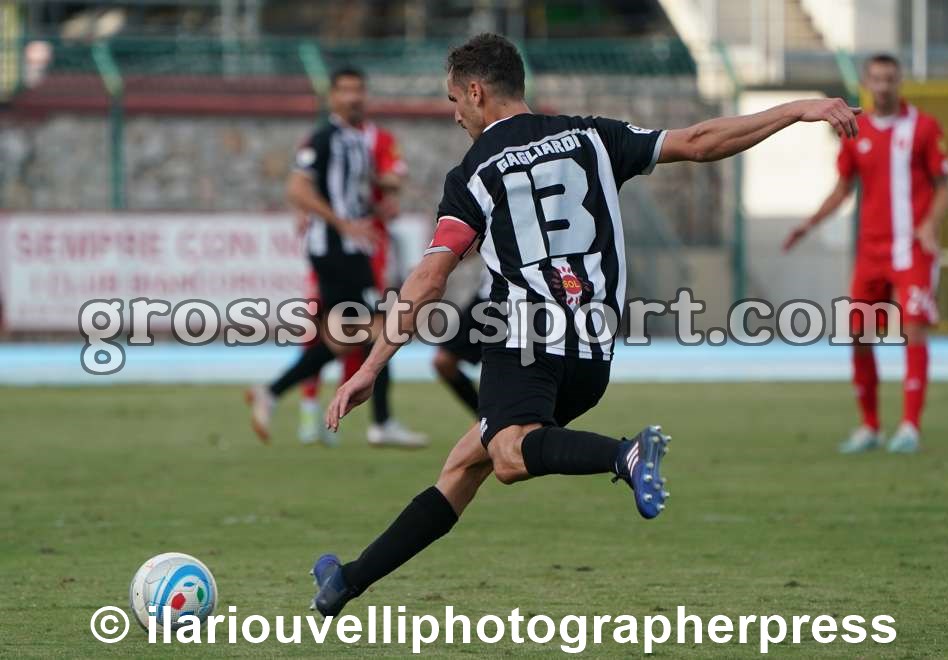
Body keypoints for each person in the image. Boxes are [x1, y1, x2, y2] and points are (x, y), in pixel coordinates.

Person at [309, 33, 859, 616]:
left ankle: (626, 456)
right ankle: (346, 583)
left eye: (453, 101)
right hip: (593, 351)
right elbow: (700, 142)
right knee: (465, 466)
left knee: (508, 456)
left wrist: (371, 367)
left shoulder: (473, 173)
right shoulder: (593, 136)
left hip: (524, 337)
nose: (455, 115)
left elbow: (428, 280)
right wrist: (796, 109)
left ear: (475, 92)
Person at [246, 66, 424, 448]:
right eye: (345, 90)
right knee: (383, 330)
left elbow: (374, 183)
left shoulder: (357, 140)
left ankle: (271, 392)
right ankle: (381, 422)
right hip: (337, 250)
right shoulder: (325, 138)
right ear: (332, 96)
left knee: (347, 337)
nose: (353, 97)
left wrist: (378, 201)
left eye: (358, 90)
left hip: (352, 250)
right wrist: (341, 223)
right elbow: (296, 189)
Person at [783, 53, 948, 454]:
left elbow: (944, 187)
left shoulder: (925, 127)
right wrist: (808, 224)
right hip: (871, 251)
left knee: (913, 328)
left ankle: (910, 426)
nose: (883, 86)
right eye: (877, 79)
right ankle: (870, 426)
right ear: (867, 83)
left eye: (890, 78)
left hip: (912, 249)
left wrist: (930, 224)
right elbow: (843, 189)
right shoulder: (856, 131)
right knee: (857, 333)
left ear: (899, 81)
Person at [295, 120, 427, 447]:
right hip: (333, 251)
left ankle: (339, 412)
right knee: (326, 327)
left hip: (367, 251)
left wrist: (381, 191)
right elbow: (302, 185)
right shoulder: (324, 138)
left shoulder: (378, 139)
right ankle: (308, 407)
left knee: (359, 333)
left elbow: (394, 179)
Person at [431, 264, 492, 415]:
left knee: (505, 371)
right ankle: (484, 417)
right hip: (487, 297)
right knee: (443, 361)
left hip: (524, 301)